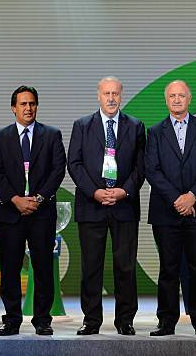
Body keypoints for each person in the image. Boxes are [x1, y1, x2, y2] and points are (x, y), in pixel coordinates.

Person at [68, 77, 145, 336]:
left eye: (115, 93)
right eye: (106, 93)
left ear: (121, 96)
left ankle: (125, 320)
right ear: (98, 96)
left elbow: (140, 166)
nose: (111, 98)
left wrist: (124, 191)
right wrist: (95, 192)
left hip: (124, 206)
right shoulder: (82, 126)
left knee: (125, 266)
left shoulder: (135, 126)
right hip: (92, 206)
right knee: (91, 266)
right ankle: (91, 320)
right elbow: (74, 164)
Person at [0, 86, 66, 336]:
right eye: (23, 104)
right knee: (9, 269)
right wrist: (15, 200)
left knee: (43, 267)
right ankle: (11, 319)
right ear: (14, 108)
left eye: (32, 103)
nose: (28, 108)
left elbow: (58, 170)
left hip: (42, 213)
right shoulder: (0, 137)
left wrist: (38, 199)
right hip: (10, 213)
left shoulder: (52, 135)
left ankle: (43, 320)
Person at [145, 80, 196, 337]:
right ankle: (166, 321)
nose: (177, 100)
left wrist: (192, 197)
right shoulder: (154, 132)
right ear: (166, 100)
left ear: (189, 99)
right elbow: (151, 170)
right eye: (172, 96)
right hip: (166, 212)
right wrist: (177, 199)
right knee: (168, 268)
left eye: (181, 96)